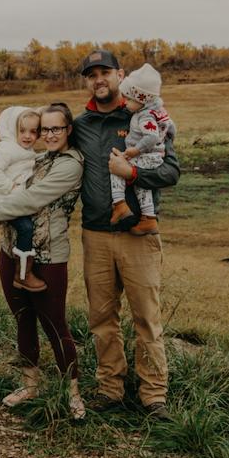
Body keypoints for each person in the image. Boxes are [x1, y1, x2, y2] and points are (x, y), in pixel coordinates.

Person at [71, 49, 180, 419]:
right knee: (102, 318)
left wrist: (132, 175)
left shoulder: (142, 115)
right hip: (95, 235)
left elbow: (171, 172)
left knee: (146, 317)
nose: (98, 79)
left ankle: (153, 397)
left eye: (105, 72)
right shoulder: (81, 124)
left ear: (121, 74)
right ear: (87, 81)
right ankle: (110, 389)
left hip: (137, 235)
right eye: (91, 74)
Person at [0, 103, 86, 420]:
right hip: (12, 251)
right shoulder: (37, 158)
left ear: (68, 130)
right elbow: (7, 179)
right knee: (23, 317)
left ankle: (72, 393)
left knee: (55, 324)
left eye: (57, 128)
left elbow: (33, 197)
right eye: (45, 129)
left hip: (49, 257)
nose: (49, 134)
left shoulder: (71, 165)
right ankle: (30, 384)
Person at [109, 63, 177, 236]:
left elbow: (152, 136)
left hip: (146, 155)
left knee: (117, 167)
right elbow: (171, 127)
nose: (125, 103)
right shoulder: (158, 111)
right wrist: (168, 136)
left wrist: (135, 150)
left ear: (142, 99)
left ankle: (119, 204)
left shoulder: (145, 115)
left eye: (129, 99)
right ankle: (148, 217)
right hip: (154, 157)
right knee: (142, 184)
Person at [0, 106, 45, 292]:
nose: (27, 136)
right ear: (13, 129)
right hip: (1, 200)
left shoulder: (25, 151)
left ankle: (7, 263)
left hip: (11, 199)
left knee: (27, 225)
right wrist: (10, 187)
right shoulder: (6, 148)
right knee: (26, 227)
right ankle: (23, 274)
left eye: (33, 131)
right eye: (22, 130)